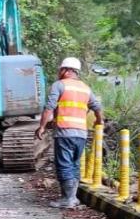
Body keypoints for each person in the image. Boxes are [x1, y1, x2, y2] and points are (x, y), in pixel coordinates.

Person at [34, 57, 103, 208]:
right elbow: (97, 106)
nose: (59, 72)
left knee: (64, 164)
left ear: (66, 70)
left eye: (60, 70)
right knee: (74, 164)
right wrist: (99, 121)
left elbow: (49, 107)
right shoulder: (85, 87)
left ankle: (68, 199)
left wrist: (42, 127)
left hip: (65, 132)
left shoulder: (59, 85)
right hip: (81, 133)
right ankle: (72, 197)